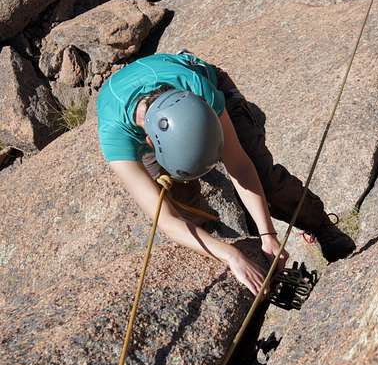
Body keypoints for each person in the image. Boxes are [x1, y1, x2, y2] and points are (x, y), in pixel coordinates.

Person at [97, 51, 354, 295]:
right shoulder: (116, 138)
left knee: (265, 179)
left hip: (199, 86)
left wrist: (268, 234)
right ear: (149, 144)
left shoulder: (198, 89)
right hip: (141, 113)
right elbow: (166, 219)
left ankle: (320, 225)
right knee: (180, 201)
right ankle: (225, 250)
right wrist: (231, 255)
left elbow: (239, 164)